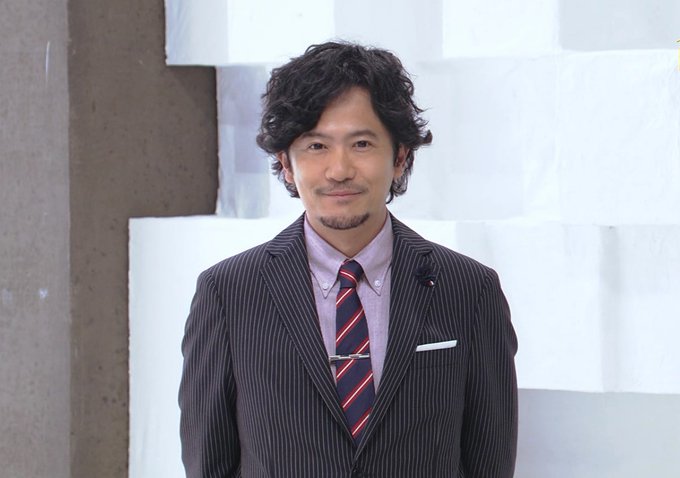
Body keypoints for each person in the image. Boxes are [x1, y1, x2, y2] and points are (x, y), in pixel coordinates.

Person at [179, 41, 518, 478]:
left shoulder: (469, 289)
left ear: (400, 157)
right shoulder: (227, 293)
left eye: (361, 143)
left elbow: (489, 461)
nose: (339, 170)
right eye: (316, 146)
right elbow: (209, 463)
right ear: (286, 163)